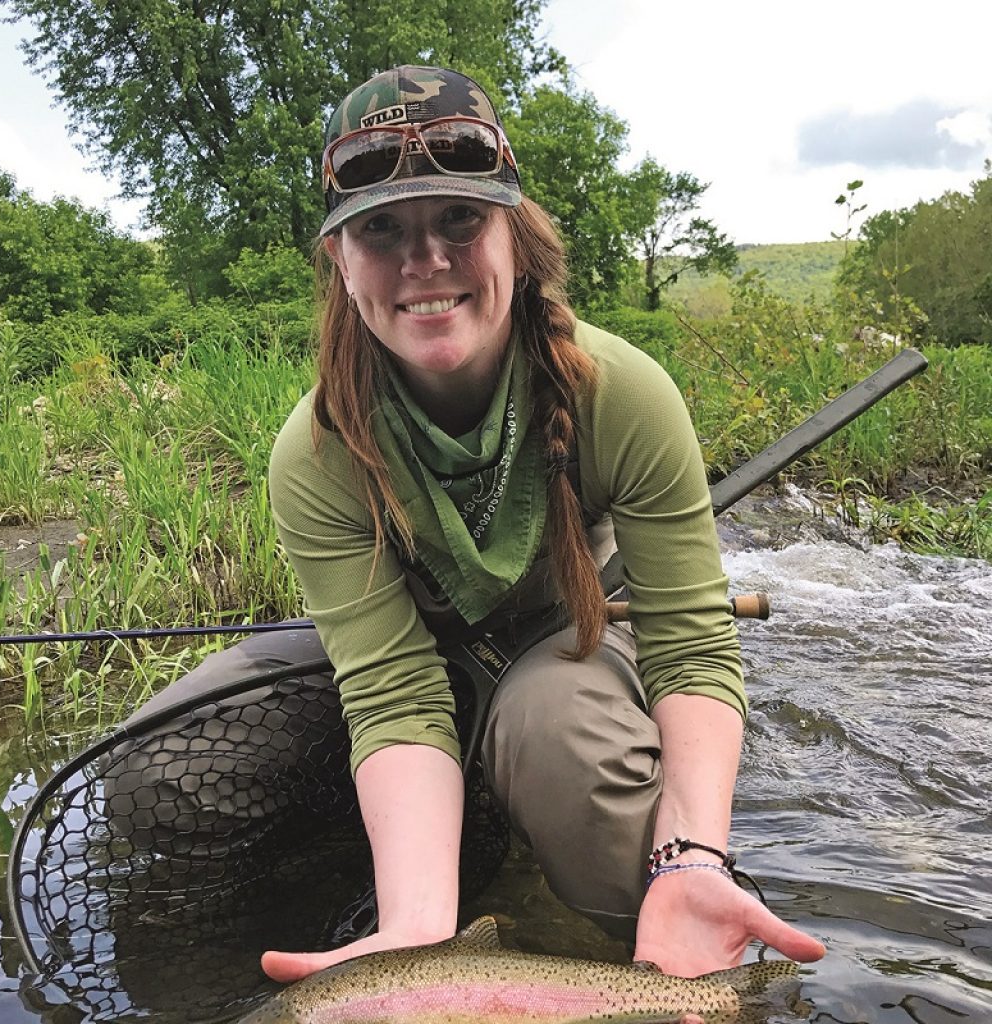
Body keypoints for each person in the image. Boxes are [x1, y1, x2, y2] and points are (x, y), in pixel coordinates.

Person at [250, 63, 826, 988]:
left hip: (575, 635)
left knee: (559, 739)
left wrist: (692, 857)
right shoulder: (314, 454)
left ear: (517, 237)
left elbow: (688, 646)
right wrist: (416, 940)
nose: (424, 260)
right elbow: (393, 692)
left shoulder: (621, 392)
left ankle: (670, 932)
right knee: (165, 793)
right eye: (382, 229)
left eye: (460, 220)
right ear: (341, 261)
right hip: (418, 653)